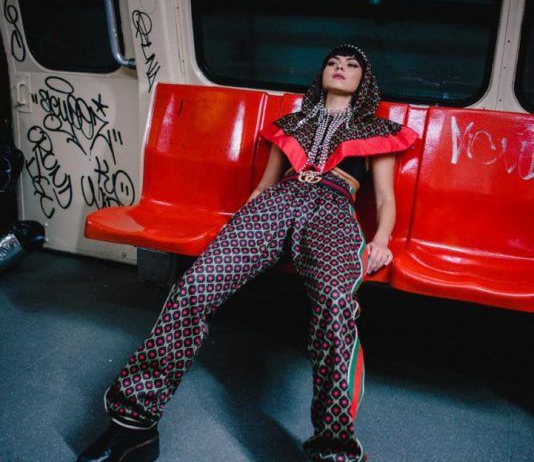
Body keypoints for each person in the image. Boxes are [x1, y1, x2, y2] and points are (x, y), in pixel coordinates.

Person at [77, 44, 418, 462]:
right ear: (321, 74)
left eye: (351, 65)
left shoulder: (376, 130)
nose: (340, 68)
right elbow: (263, 187)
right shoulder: (291, 125)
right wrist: (240, 228)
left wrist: (381, 239)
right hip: (275, 204)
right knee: (196, 285)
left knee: (335, 306)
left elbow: (384, 198)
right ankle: (132, 426)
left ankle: (335, 452)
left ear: (365, 81)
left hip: (332, 208)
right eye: (332, 62)